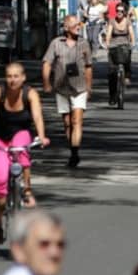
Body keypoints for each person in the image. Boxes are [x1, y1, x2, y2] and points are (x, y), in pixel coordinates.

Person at [0, 63, 50, 244]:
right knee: (0, 180)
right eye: (9, 76)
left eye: (16, 76)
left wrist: (42, 137)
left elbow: (37, 116)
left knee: (22, 152)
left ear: (24, 77)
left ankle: (26, 190)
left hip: (20, 133)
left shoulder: (30, 94)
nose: (12, 80)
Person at [42, 15, 92, 168]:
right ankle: (72, 148)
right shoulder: (56, 43)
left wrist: (89, 86)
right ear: (66, 28)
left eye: (79, 24)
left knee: (77, 121)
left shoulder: (83, 43)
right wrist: (46, 83)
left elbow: (88, 66)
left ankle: (75, 153)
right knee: (67, 122)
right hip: (61, 88)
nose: (78, 26)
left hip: (79, 87)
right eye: (75, 24)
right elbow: (47, 63)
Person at [105, 4, 134, 105]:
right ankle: (112, 95)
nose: (119, 13)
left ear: (124, 12)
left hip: (125, 46)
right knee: (112, 72)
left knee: (128, 59)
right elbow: (108, 34)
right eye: (117, 11)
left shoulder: (127, 21)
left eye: (121, 11)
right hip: (114, 47)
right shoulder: (112, 21)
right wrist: (107, 44)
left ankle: (127, 76)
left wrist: (132, 44)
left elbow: (131, 34)